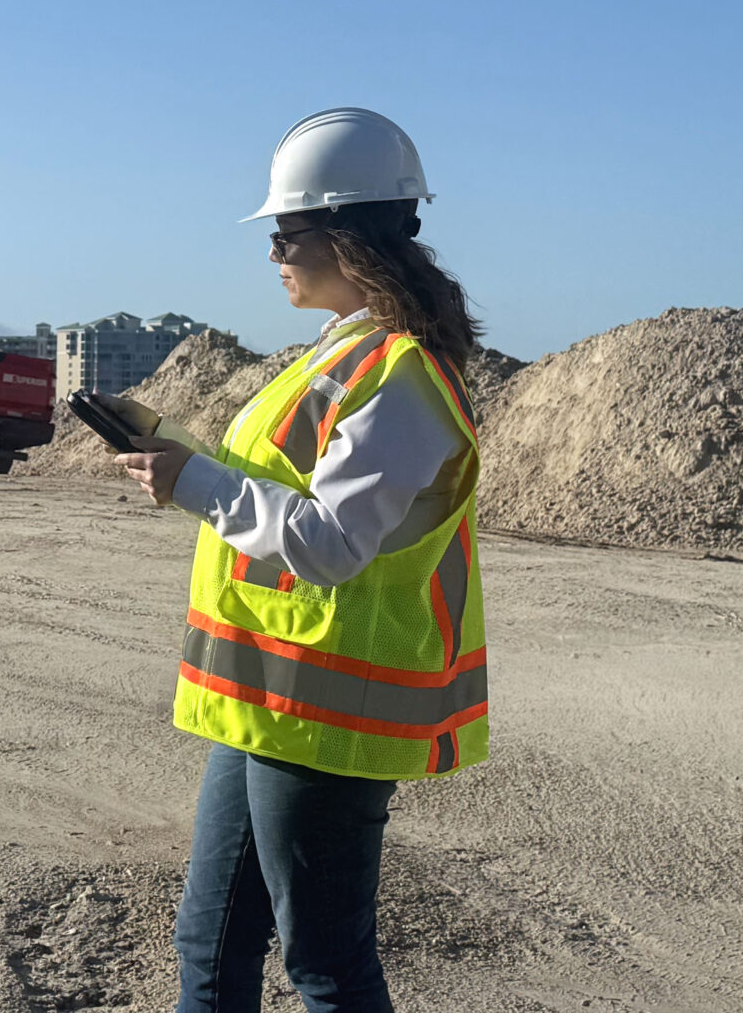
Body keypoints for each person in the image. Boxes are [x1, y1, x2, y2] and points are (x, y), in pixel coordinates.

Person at [118, 108, 488, 1013]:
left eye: (286, 234)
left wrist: (193, 483)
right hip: (267, 700)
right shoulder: (338, 354)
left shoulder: (399, 374)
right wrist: (180, 457)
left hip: (327, 718)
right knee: (208, 946)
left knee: (325, 966)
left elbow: (330, 543)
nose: (274, 253)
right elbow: (272, 478)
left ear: (348, 237)